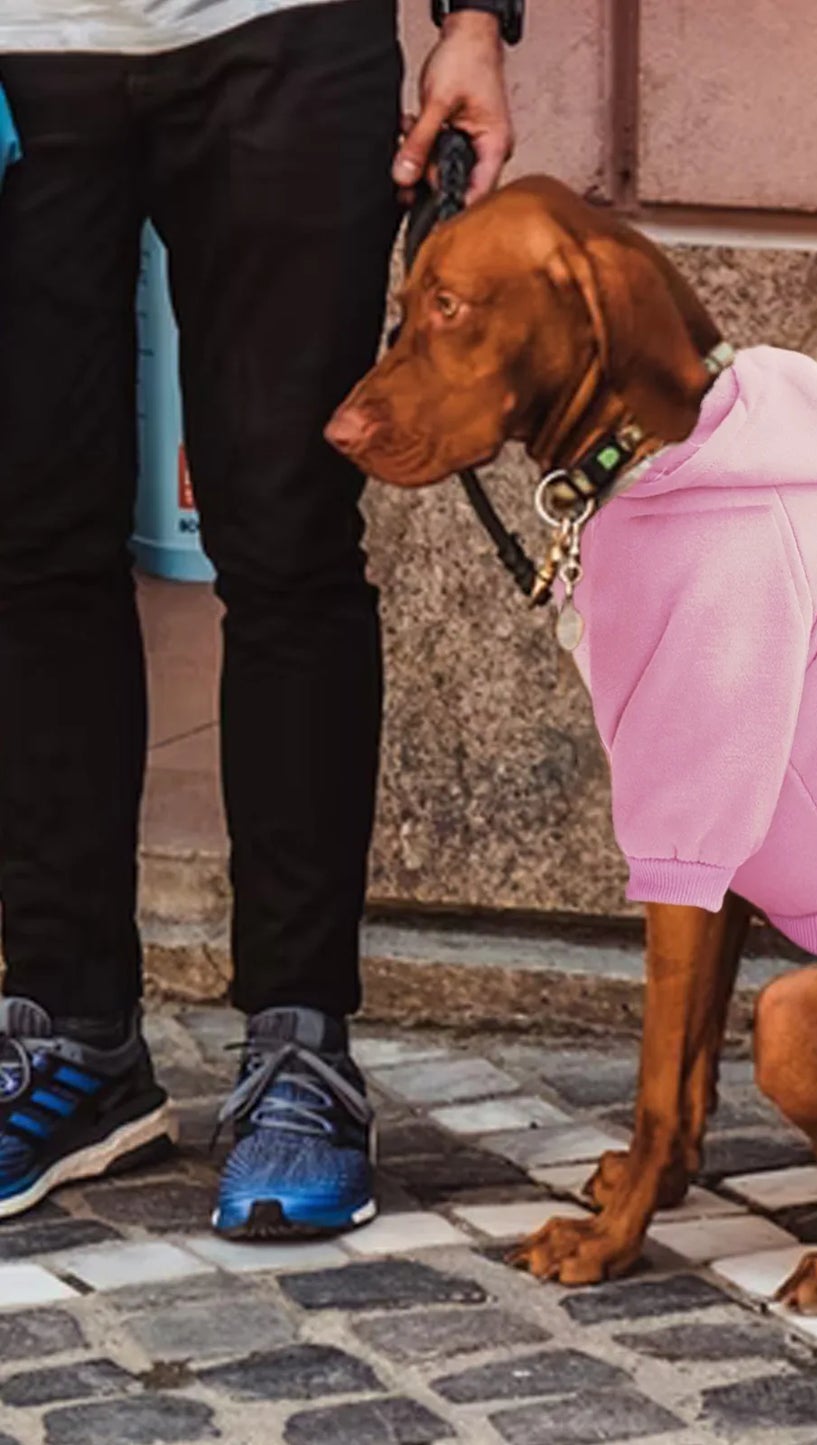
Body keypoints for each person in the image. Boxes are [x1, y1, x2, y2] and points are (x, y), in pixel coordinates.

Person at [0, 0, 517, 1237]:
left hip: (281, 39)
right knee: (27, 541)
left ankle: (301, 1046)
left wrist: (479, 20)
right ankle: (75, 1038)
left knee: (286, 537)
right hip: (25, 49)